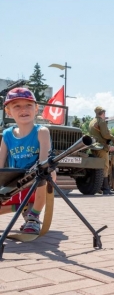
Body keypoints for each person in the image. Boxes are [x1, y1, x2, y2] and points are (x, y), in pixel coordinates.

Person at [0, 87, 56, 234]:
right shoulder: (7, 135)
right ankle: (22, 207)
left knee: (46, 174)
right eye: (16, 106)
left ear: (36, 108)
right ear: (8, 111)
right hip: (15, 184)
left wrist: (45, 172)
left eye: (28, 105)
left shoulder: (41, 132)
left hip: (36, 182)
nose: (23, 109)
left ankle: (33, 217)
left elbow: (44, 165)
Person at [89, 106, 114, 195]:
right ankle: (105, 189)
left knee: (97, 168)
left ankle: (98, 188)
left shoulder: (91, 122)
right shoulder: (101, 121)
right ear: (103, 113)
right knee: (105, 167)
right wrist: (113, 138)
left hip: (94, 147)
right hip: (102, 147)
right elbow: (105, 134)